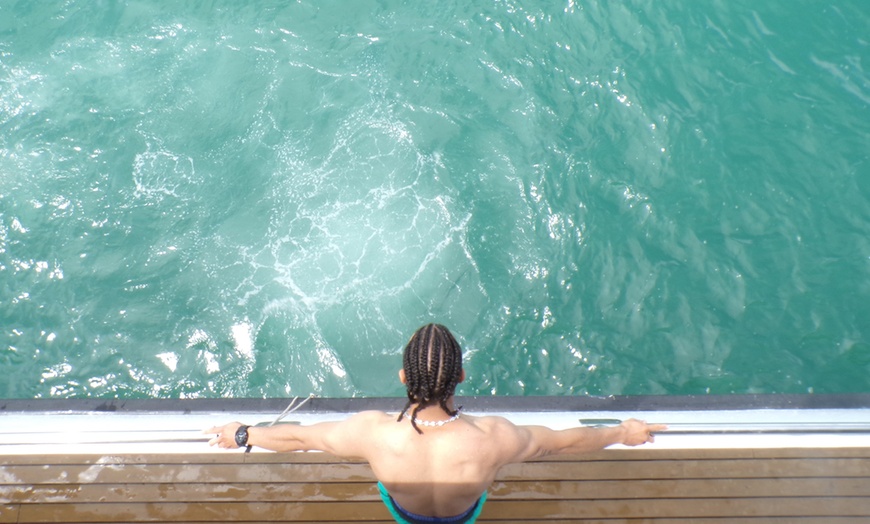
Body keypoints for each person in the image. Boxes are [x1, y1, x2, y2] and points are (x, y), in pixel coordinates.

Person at [206, 323, 667, 524]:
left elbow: (299, 438)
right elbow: (564, 442)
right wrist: (623, 432)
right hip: (464, 514)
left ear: (403, 377)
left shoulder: (372, 434)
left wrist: (243, 434)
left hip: (404, 513)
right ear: (461, 377)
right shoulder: (495, 438)